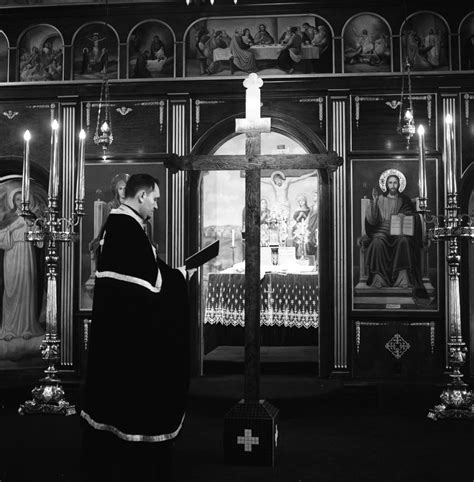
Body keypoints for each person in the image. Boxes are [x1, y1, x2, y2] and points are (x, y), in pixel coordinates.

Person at [80, 174, 194, 481]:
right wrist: (180, 278)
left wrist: (175, 272)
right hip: (131, 334)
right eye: (155, 199)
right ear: (141, 195)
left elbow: (147, 272)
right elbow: (152, 285)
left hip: (120, 329)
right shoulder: (126, 228)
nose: (156, 206)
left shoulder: (121, 226)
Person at [361, 173, 429, 303]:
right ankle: (379, 279)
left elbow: (413, 216)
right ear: (386, 185)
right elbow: (372, 222)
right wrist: (374, 202)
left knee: (404, 241)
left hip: (398, 233)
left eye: (395, 183)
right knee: (376, 243)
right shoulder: (379, 199)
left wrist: (405, 215)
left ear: (399, 185)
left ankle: (403, 279)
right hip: (382, 232)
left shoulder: (404, 200)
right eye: (390, 182)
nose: (393, 185)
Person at [0, 190, 44, 341]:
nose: (20, 201)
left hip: (27, 253)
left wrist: (36, 226)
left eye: (22, 199)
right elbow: (2, 239)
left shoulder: (31, 217)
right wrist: (13, 227)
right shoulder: (8, 218)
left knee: (27, 288)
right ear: (13, 201)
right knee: (11, 291)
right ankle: (9, 329)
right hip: (11, 254)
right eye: (17, 199)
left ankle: (27, 327)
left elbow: (39, 241)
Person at [305, 189, 319, 258]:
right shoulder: (312, 207)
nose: (314, 197)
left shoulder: (320, 206)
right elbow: (309, 217)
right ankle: (311, 262)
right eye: (313, 196)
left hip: (316, 228)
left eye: (315, 196)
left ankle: (317, 262)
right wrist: (305, 225)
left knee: (316, 244)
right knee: (308, 244)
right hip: (310, 228)